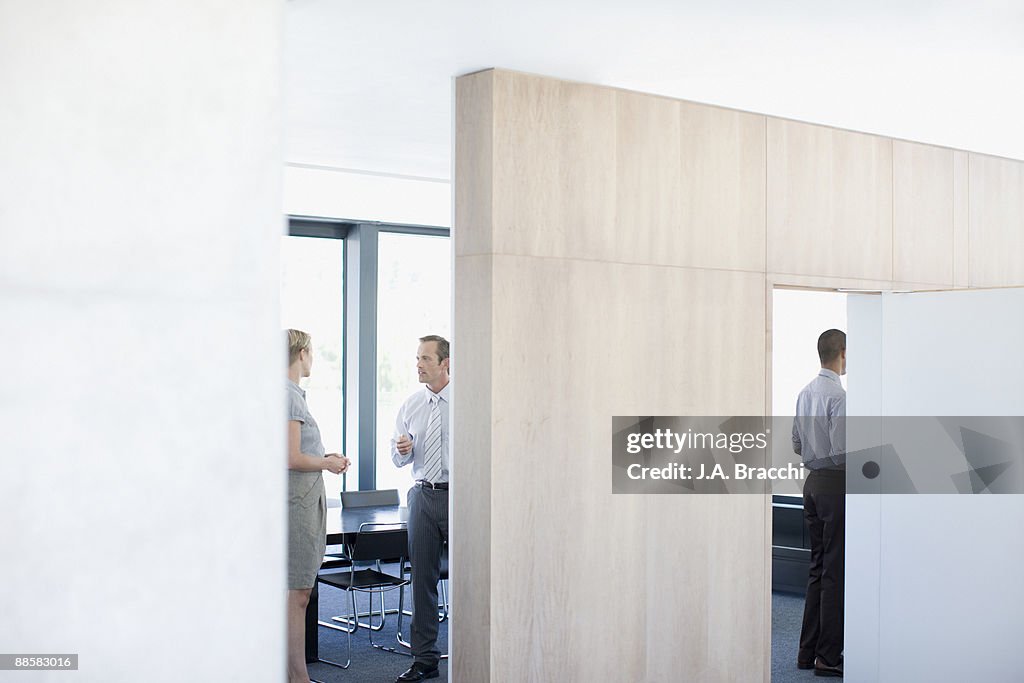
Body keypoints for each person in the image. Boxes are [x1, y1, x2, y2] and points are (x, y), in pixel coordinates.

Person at [285, 329, 350, 683]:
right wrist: (325, 464)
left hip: (301, 501)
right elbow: (291, 458)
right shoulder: (289, 396)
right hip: (297, 506)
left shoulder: (290, 395)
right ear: (303, 353)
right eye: (312, 353)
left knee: (297, 591)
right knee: (298, 593)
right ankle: (298, 676)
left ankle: (293, 673)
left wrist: (324, 458)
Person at [392, 335, 450, 683]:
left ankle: (473, 648)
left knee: (472, 578)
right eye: (417, 358)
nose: (419, 364)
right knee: (422, 580)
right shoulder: (410, 405)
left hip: (461, 495)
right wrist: (402, 450)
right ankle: (425, 659)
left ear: (445, 363)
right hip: (422, 497)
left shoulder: (465, 401)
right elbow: (399, 459)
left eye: (426, 358)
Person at [792, 328, 847, 678]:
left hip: (811, 485)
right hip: (835, 486)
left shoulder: (803, 393)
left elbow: (797, 444)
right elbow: (843, 453)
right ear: (842, 352)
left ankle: (806, 653)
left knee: (817, 569)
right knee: (834, 573)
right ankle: (828, 657)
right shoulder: (839, 397)